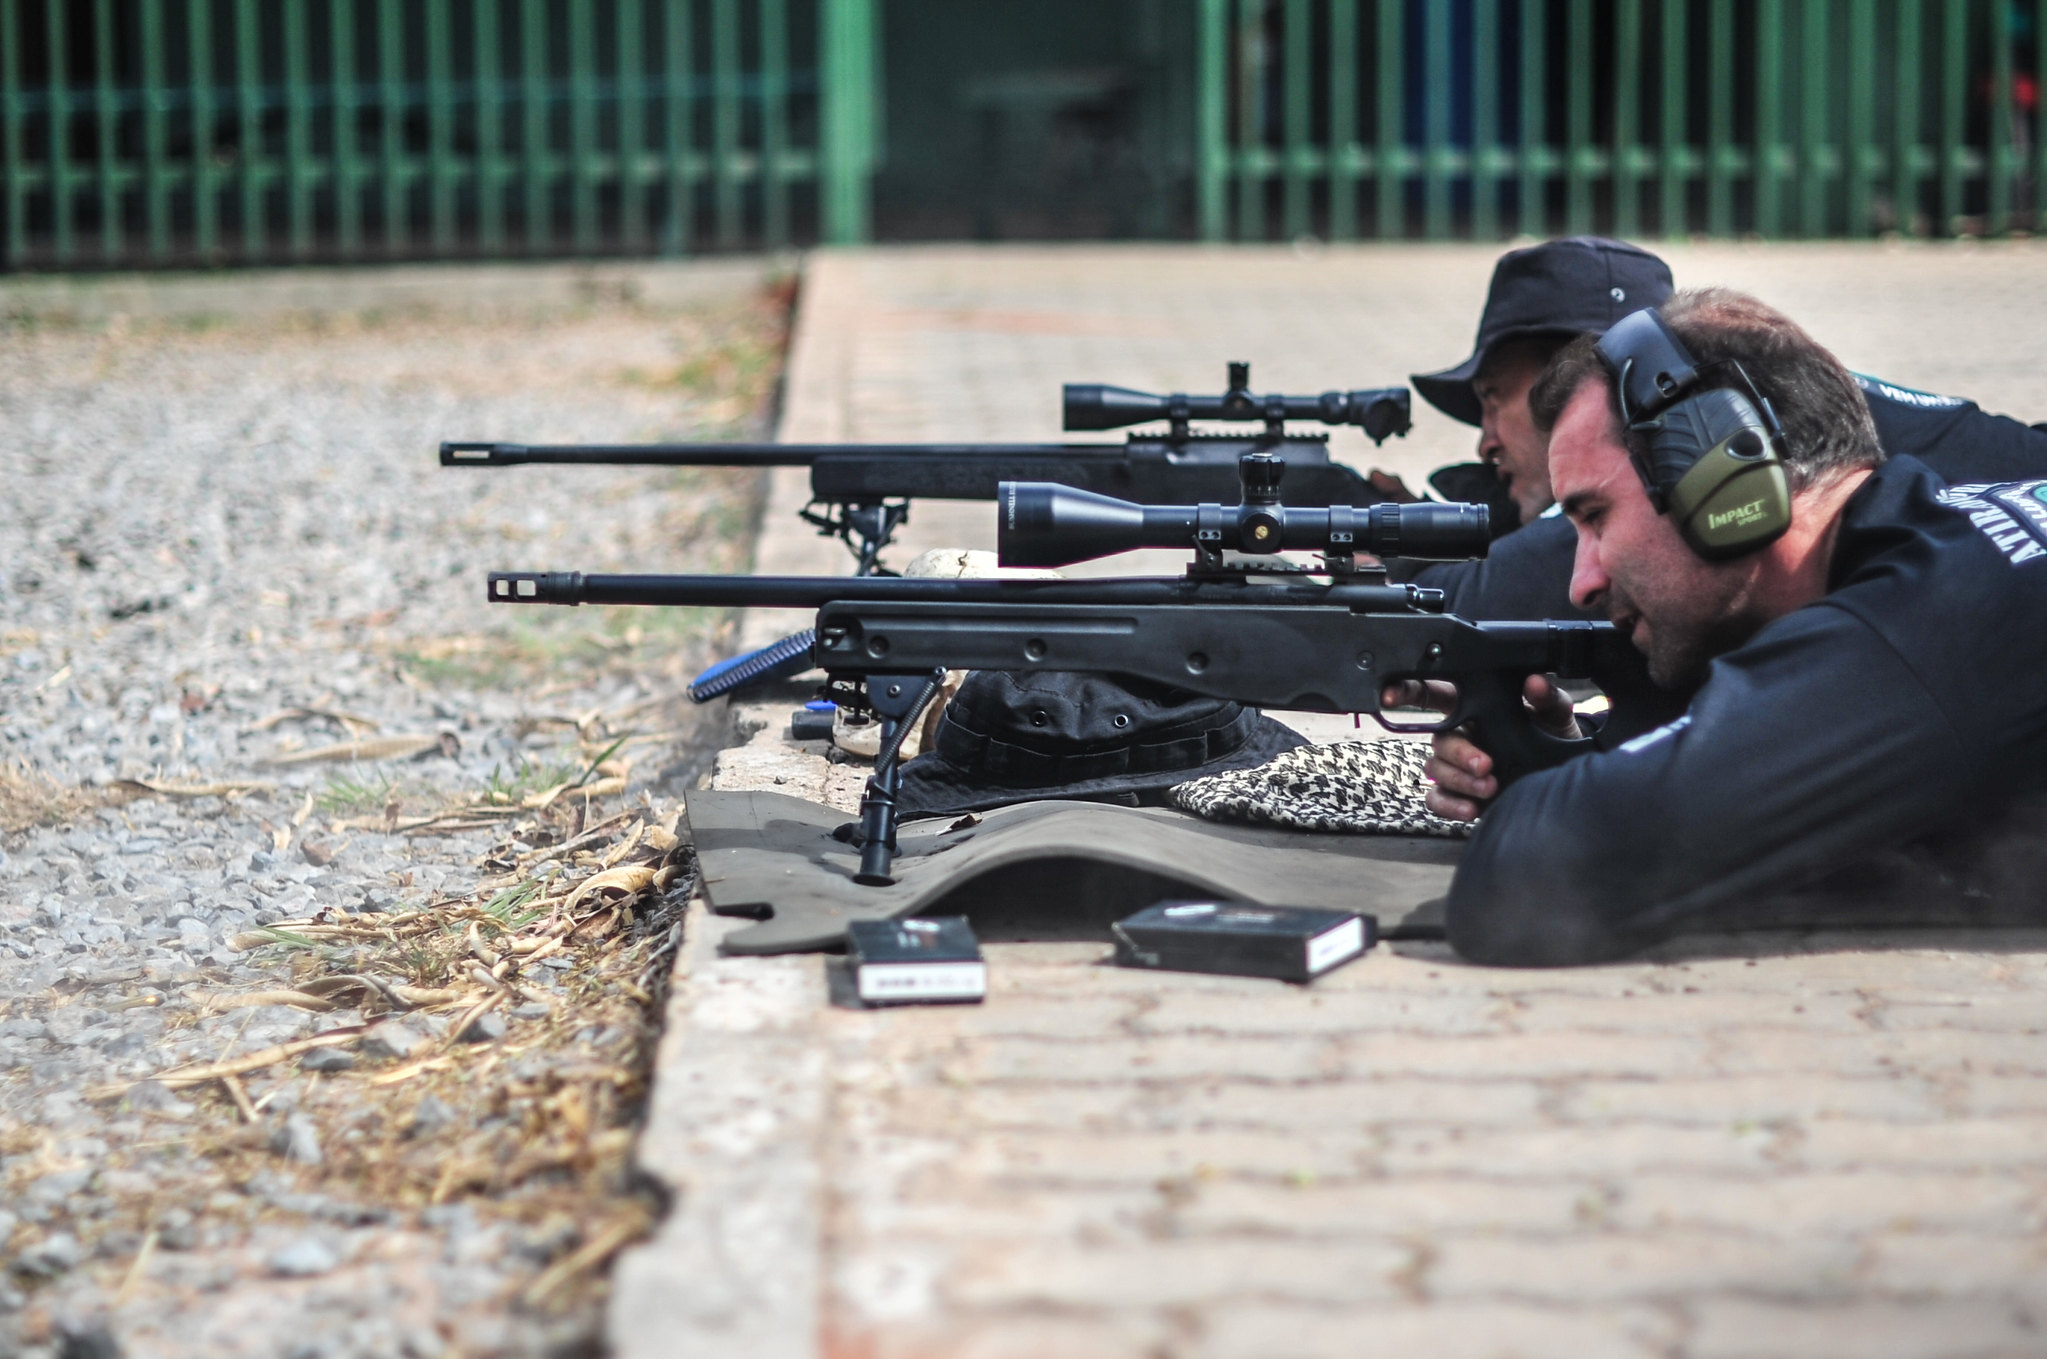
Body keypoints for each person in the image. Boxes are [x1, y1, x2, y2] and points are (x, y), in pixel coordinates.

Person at [1409, 289, 2047, 966]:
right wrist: (1583, 758)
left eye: (1594, 516)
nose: (1581, 582)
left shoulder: (1925, 622)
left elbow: (1525, 882)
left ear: (1716, 470)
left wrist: (1573, 797)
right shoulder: (1954, 545)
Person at [1388, 238, 2047, 623]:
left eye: (1491, 399)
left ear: (1580, 373)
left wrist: (1374, 545)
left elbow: (1479, 600)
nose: (1483, 440)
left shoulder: (1692, 446)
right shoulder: (1750, 395)